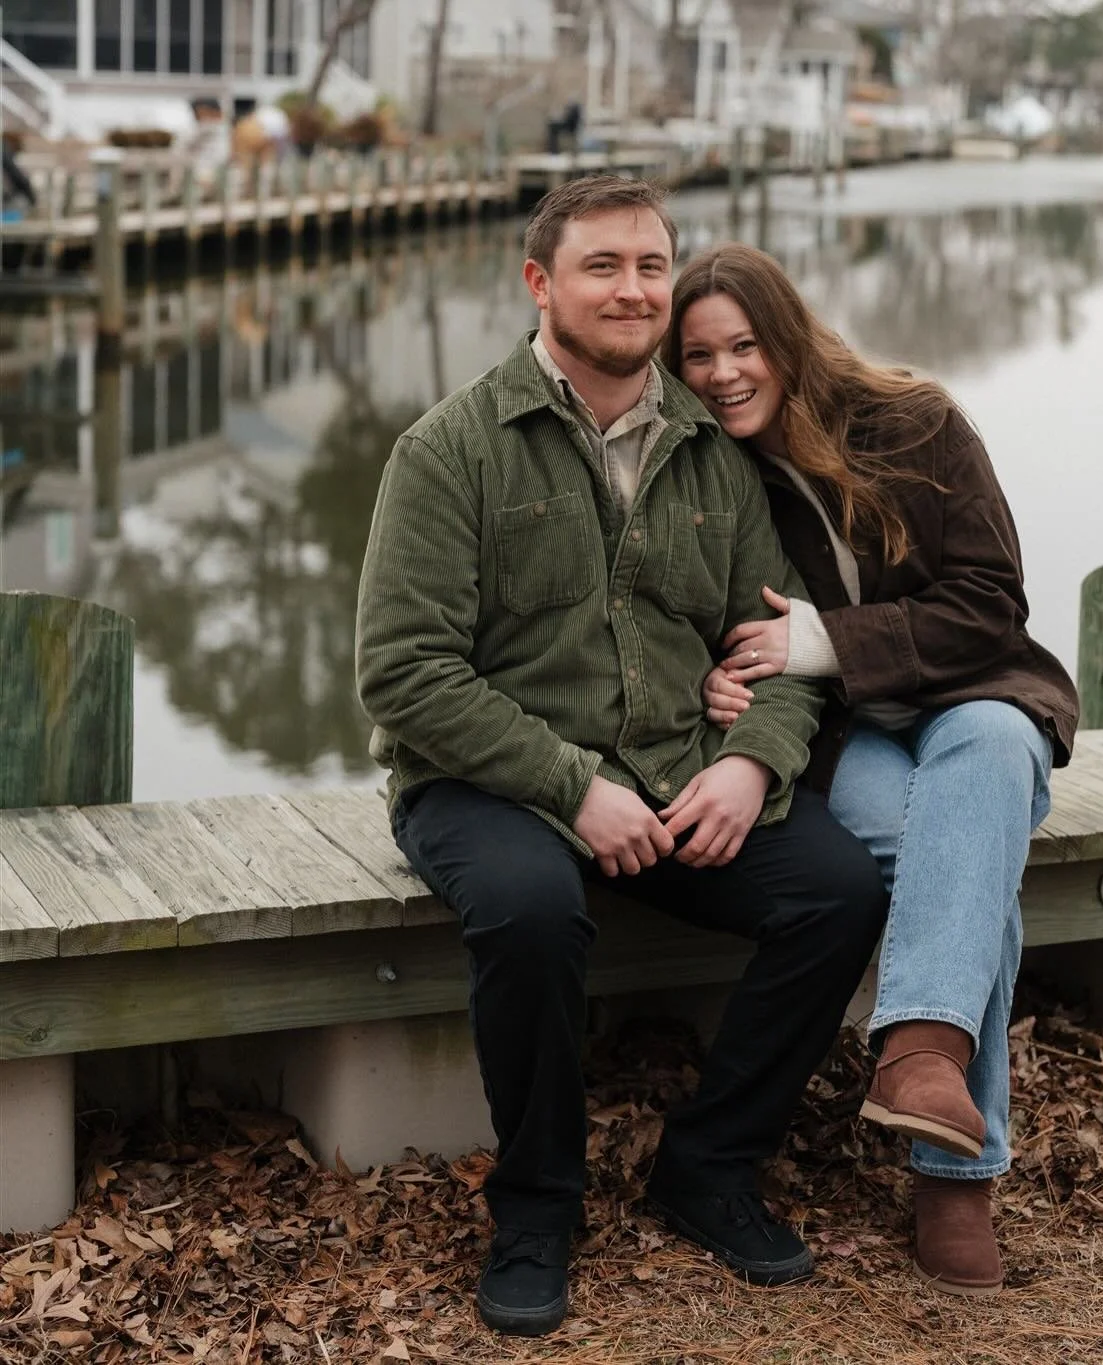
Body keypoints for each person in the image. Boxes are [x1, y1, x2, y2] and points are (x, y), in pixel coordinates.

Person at [355, 180, 887, 1337]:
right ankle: (537, 1209)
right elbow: (403, 675)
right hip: (487, 781)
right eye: (602, 266)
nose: (633, 290)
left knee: (839, 890)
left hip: (676, 767)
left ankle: (709, 1166)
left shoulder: (713, 453)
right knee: (532, 910)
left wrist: (752, 766)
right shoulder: (449, 450)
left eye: (651, 266)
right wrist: (571, 786)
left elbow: (774, 647)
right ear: (540, 284)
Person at [666, 242, 1079, 1298]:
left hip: (975, 693)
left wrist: (824, 641)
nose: (722, 374)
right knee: (960, 872)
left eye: (743, 346)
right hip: (841, 737)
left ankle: (929, 1090)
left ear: (788, 337)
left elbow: (991, 601)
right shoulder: (709, 471)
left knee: (988, 755)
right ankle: (947, 1145)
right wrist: (713, 676)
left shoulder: (915, 423)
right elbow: (682, 613)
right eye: (697, 356)